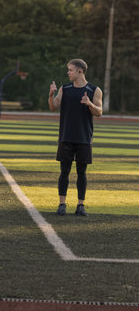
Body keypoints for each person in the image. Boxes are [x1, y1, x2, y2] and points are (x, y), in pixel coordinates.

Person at [48, 59, 103, 216]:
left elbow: (99, 112)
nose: (68, 72)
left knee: (82, 172)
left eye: (70, 70)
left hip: (84, 138)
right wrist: (51, 95)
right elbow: (53, 107)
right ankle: (62, 204)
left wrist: (89, 104)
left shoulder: (95, 90)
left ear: (80, 71)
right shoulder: (64, 89)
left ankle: (80, 205)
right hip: (66, 137)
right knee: (64, 171)